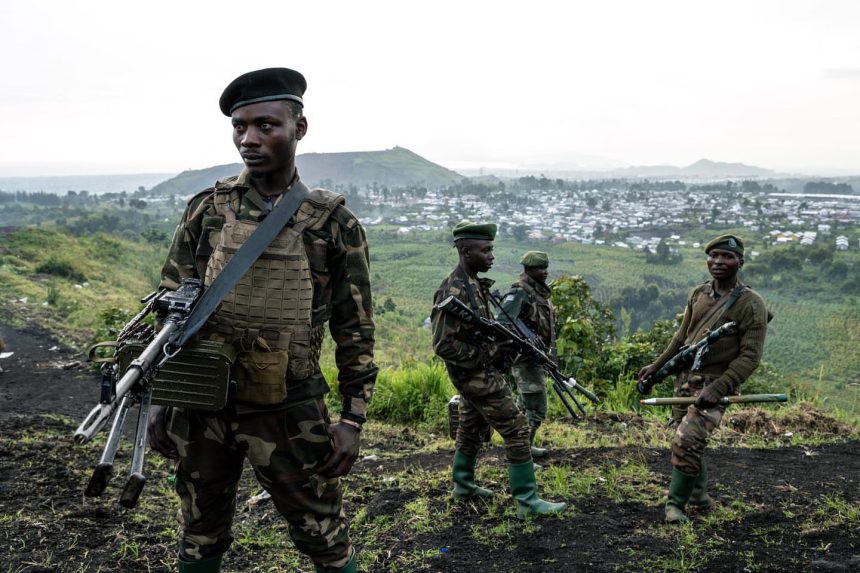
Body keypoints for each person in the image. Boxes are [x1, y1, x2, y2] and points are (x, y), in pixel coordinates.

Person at [148, 68, 377, 573]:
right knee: (199, 534)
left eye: (266, 125)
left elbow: (354, 328)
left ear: (299, 128)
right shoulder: (207, 210)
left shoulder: (332, 223)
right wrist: (161, 400)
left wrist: (352, 420)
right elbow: (169, 306)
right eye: (240, 127)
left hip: (289, 408)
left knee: (323, 535)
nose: (249, 139)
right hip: (203, 403)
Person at [431, 222, 566, 519]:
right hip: (475, 374)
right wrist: (491, 351)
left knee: (472, 426)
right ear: (466, 251)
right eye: (486, 250)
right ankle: (527, 500)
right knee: (517, 428)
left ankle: (463, 483)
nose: (492, 256)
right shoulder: (454, 288)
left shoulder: (473, 283)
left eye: (492, 249)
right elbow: (443, 345)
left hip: (475, 373)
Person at [637, 234, 769, 523]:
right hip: (686, 380)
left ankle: (676, 506)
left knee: (687, 441)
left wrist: (719, 387)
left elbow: (750, 357)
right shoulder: (699, 293)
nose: (719, 262)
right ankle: (698, 494)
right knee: (683, 436)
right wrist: (656, 366)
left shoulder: (751, 304)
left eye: (727, 257)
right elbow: (681, 337)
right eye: (715, 256)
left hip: (716, 385)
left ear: (740, 262)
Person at [497, 251, 555, 459]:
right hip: (525, 359)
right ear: (529, 270)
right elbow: (502, 322)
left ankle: (523, 447)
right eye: (541, 268)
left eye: (546, 267)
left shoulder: (538, 292)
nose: (545, 272)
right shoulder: (520, 292)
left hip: (537, 356)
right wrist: (524, 343)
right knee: (536, 408)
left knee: (525, 407)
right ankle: (521, 455)